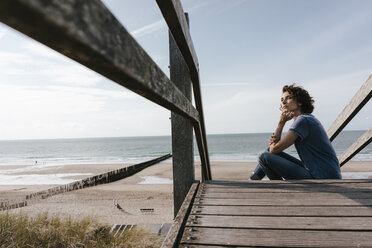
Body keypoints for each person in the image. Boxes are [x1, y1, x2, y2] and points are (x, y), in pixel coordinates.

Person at [250, 84, 342, 180]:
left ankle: (271, 186)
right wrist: (275, 143)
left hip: (322, 177)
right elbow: (273, 148)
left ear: (300, 102)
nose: (284, 102)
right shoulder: (307, 119)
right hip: (321, 173)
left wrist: (281, 122)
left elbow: (275, 149)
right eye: (282, 100)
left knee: (263, 156)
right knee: (268, 151)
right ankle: (253, 179)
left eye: (288, 98)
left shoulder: (303, 120)